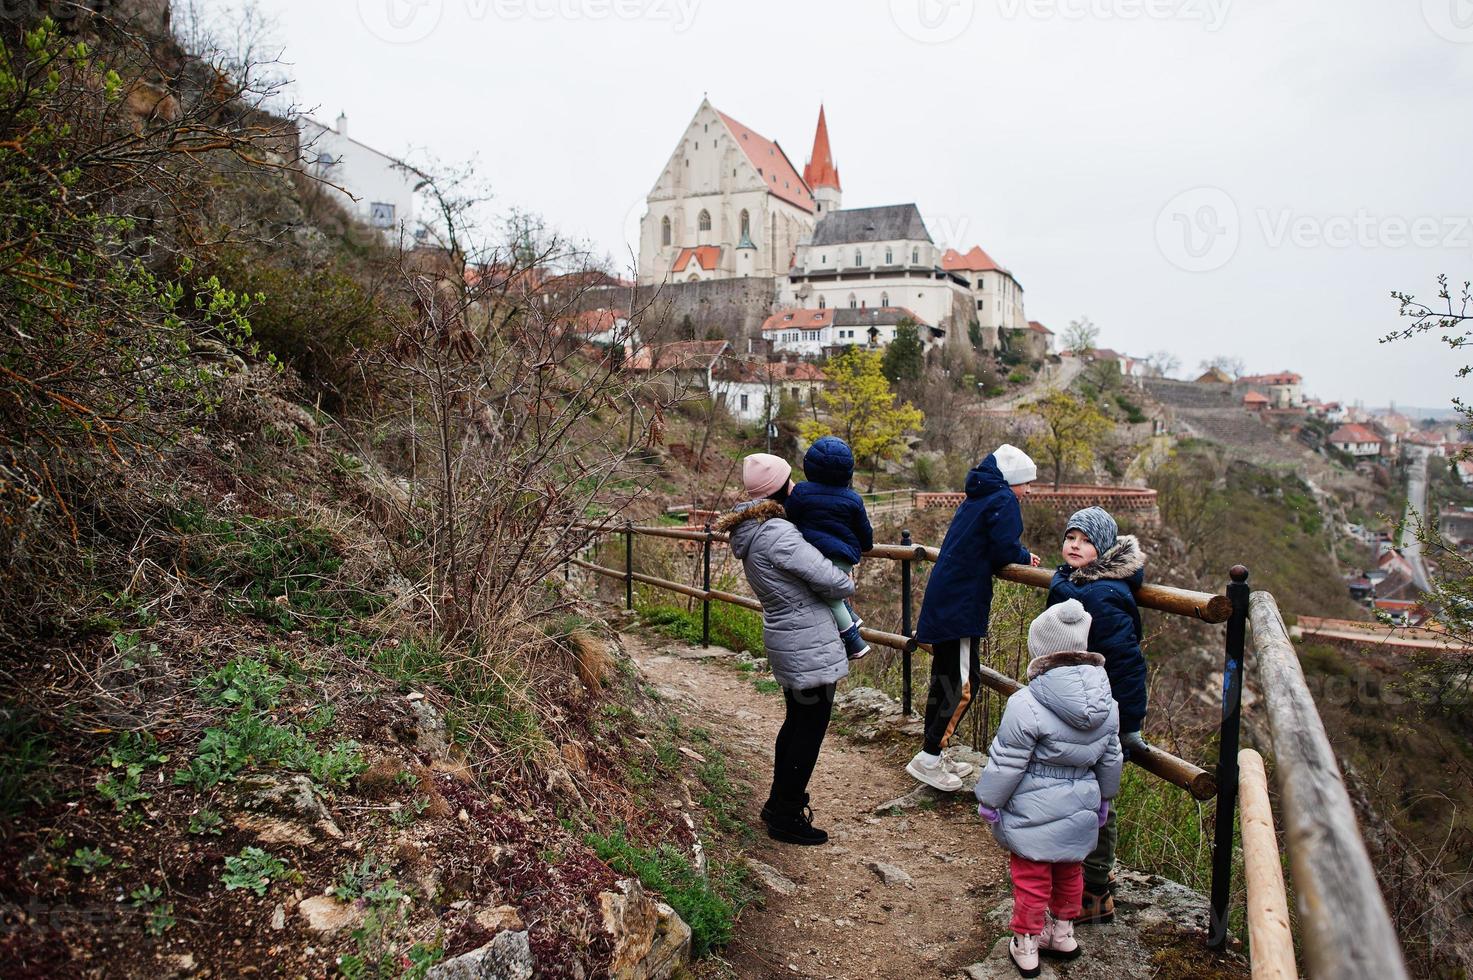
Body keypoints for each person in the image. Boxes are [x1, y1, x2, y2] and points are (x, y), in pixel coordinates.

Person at [715, 452, 856, 846]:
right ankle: (786, 814)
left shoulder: (755, 530)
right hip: (805, 638)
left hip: (789, 635)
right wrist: (845, 573)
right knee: (807, 730)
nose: (796, 487)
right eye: (791, 481)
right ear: (780, 487)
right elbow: (834, 582)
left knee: (796, 723)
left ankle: (780, 803)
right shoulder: (778, 534)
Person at [975, 599, 1123, 977]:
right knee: (1071, 872)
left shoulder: (1026, 701)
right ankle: (1062, 933)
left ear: (1040, 649)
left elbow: (1008, 760)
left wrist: (989, 802)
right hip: (1082, 806)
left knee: (1031, 877)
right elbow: (1111, 758)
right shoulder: (1109, 702)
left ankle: (1026, 942)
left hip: (1033, 807)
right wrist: (1105, 798)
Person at [907, 444, 1041, 792]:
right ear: (1013, 481)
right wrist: (1025, 558)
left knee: (945, 678)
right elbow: (1003, 549)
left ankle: (935, 751)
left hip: (947, 595)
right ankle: (930, 757)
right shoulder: (1002, 500)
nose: (1028, 490)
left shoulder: (978, 497)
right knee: (965, 684)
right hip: (961, 601)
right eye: (1026, 483)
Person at [1045, 506, 1149, 924]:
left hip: (1100, 715)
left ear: (1102, 549)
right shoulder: (1078, 583)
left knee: (1096, 801)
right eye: (1071, 537)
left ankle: (1095, 889)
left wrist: (1129, 725)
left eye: (1085, 540)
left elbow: (1126, 664)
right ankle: (1075, 880)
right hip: (1076, 706)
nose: (1075, 545)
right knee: (1078, 796)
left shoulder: (1101, 596)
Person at [784, 435, 875, 660]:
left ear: (809, 466)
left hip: (814, 557)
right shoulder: (853, 500)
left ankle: (854, 641)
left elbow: (789, 519)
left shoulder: (802, 493)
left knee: (829, 597)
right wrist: (864, 546)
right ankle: (851, 616)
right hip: (843, 560)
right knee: (831, 592)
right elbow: (866, 537)